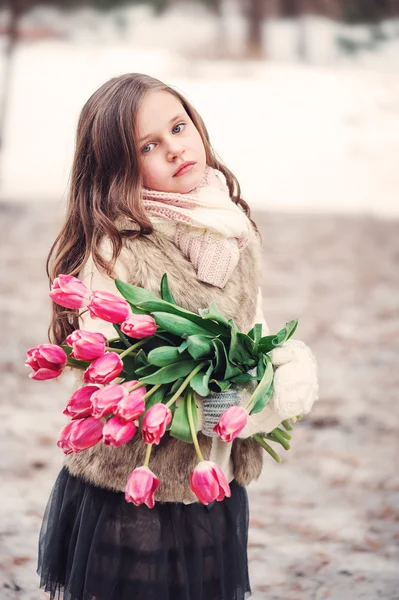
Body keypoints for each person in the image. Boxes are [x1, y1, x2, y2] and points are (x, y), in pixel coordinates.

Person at [38, 73, 318, 600]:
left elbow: (248, 333)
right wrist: (233, 405)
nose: (174, 148)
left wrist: (280, 370)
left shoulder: (229, 226)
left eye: (178, 127)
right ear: (119, 168)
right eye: (148, 145)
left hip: (214, 474)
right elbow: (115, 374)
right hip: (135, 490)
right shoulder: (116, 249)